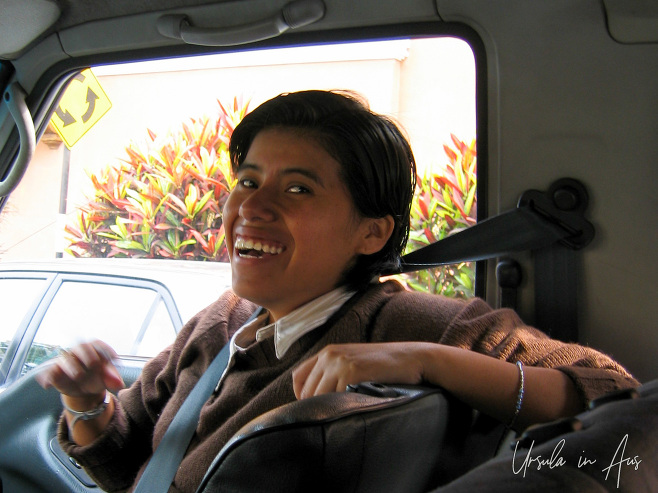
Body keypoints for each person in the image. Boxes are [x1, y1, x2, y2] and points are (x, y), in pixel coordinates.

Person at [37, 90, 638, 493]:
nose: (252, 206)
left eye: (297, 190)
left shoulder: (409, 322)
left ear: (371, 232)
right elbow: (129, 470)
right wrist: (88, 405)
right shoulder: (216, 325)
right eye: (247, 180)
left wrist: (425, 360)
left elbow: (614, 396)